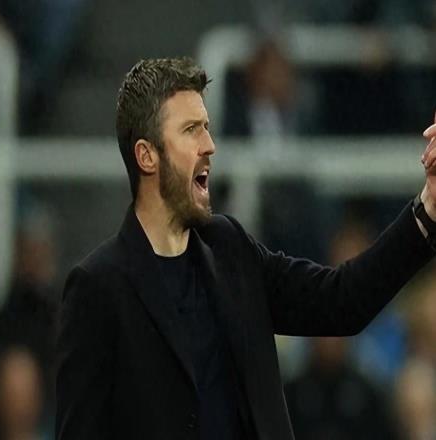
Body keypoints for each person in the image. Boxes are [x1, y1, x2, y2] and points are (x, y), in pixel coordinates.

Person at [55, 57, 436, 440]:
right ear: (147, 155)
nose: (209, 145)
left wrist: (429, 206)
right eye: (190, 130)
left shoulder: (229, 248)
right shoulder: (98, 288)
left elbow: (342, 301)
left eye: (206, 128)